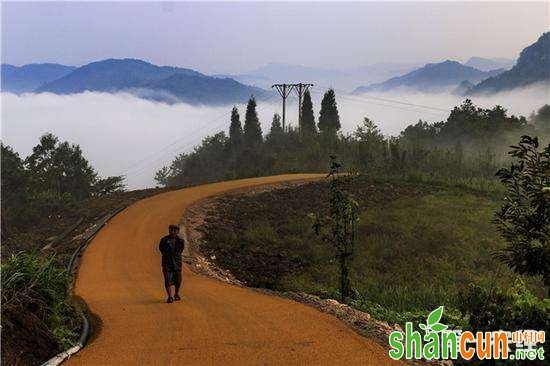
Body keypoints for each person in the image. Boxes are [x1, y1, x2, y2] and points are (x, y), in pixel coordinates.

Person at [158, 224, 185, 303]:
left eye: (174, 230)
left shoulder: (180, 241)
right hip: (167, 262)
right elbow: (161, 249)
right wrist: (167, 255)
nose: (172, 232)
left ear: (177, 232)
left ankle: (176, 294)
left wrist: (176, 257)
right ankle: (170, 296)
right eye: (171, 230)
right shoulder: (164, 240)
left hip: (177, 262)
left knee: (178, 280)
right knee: (167, 279)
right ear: (169, 230)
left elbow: (181, 250)